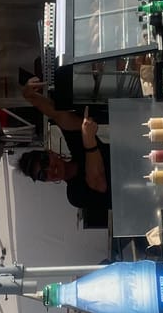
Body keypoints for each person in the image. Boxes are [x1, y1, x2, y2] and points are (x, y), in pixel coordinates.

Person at [16, 77, 110, 212]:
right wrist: (90, 143)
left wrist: (29, 97)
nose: (49, 170)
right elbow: (99, 182)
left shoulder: (77, 147)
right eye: (42, 175)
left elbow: (58, 115)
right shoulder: (74, 195)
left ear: (51, 153)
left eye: (45, 162)